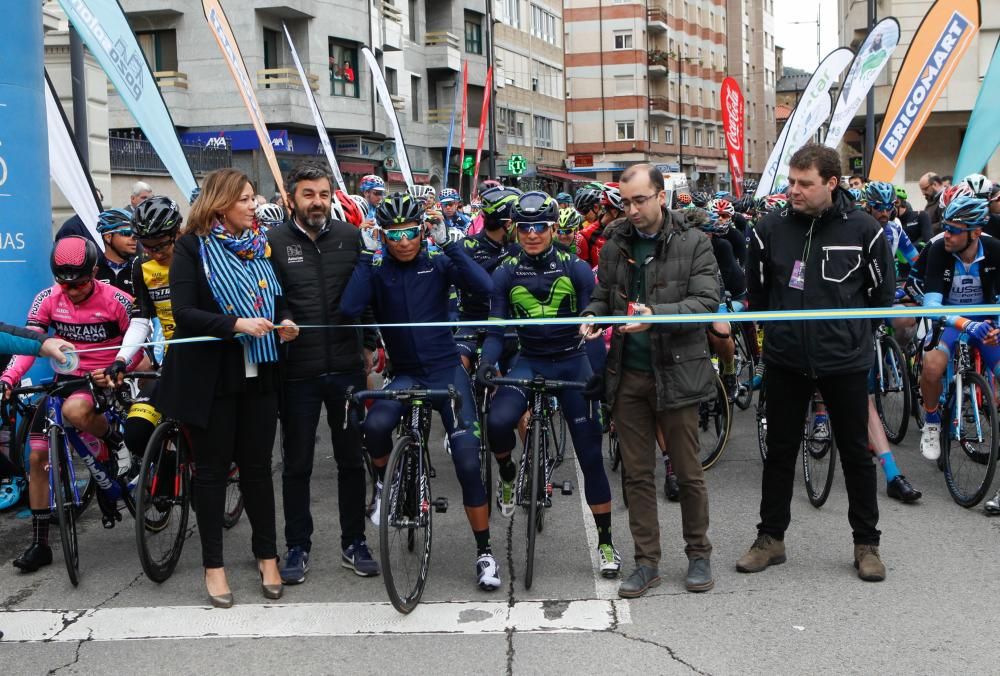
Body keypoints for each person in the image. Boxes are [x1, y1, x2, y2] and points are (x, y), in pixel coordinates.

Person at [741, 143, 895, 582]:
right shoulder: (767, 229)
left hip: (844, 360)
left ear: (831, 182)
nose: (794, 190)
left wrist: (853, 338)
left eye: (804, 183)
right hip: (786, 359)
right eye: (791, 182)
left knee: (855, 453)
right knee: (780, 451)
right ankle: (770, 539)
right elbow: (758, 294)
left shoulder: (866, 230)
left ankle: (867, 544)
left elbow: (881, 298)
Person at [339, 192, 502, 592]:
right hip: (407, 373)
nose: (403, 241)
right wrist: (364, 256)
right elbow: (348, 309)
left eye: (412, 232)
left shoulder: (438, 261)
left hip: (446, 372)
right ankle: (384, 485)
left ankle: (484, 551)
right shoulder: (378, 269)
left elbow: (484, 290)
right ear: (382, 235)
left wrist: (451, 245)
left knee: (466, 461)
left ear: (423, 230)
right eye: (393, 235)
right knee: (374, 425)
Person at [157, 168, 299, 608]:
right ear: (220, 204)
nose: (252, 206)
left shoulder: (261, 247)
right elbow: (184, 312)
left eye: (253, 198)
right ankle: (213, 566)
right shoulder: (190, 247)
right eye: (244, 199)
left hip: (260, 371)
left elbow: (280, 299)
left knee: (257, 469)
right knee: (213, 472)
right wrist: (235, 324)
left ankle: (267, 555)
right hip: (209, 378)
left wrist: (286, 322)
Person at [581, 163, 720, 598]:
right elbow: (603, 297)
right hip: (628, 374)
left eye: (640, 199)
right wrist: (591, 317)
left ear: (662, 196)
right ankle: (646, 562)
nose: (632, 209)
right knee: (637, 475)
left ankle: (699, 554)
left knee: (687, 470)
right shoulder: (614, 244)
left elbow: (705, 303)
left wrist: (655, 317)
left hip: (676, 370)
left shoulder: (694, 241)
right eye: (625, 201)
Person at [479, 191, 621, 579]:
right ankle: (508, 475)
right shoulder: (505, 271)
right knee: (496, 422)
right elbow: (496, 328)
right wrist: (487, 363)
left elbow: (593, 327)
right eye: (525, 227)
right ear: (515, 230)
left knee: (590, 456)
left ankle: (606, 542)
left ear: (554, 228)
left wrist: (598, 375)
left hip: (572, 362)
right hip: (529, 360)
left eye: (540, 226)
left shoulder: (574, 268)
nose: (532, 234)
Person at [266, 163, 379, 583]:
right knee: (297, 464)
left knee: (351, 460)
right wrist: (284, 320)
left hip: (347, 369)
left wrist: (369, 344)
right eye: (308, 194)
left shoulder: (351, 239)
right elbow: (270, 297)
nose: (317, 201)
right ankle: (297, 546)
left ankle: (355, 542)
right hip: (297, 372)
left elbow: (365, 294)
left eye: (323, 194)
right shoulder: (272, 242)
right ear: (291, 198)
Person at [2, 236, 141, 572]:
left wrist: (120, 370)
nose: (72, 291)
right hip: (64, 381)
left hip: (102, 379)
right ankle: (40, 543)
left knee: (75, 412)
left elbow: (141, 347)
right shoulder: (47, 299)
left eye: (79, 283)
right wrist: (8, 379)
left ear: (94, 271)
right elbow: (28, 344)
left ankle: (114, 439)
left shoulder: (119, 301)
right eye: (64, 284)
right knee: (36, 456)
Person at [916, 196, 1000, 480]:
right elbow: (931, 306)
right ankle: (931, 421)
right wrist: (964, 324)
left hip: (986, 320)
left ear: (975, 232)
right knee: (931, 367)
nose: (946, 233)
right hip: (951, 319)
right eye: (945, 226)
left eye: (953, 229)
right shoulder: (939, 249)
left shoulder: (994, 250)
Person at [456, 186, 522, 373]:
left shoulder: (523, 250)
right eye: (521, 223)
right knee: (457, 368)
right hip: (472, 323)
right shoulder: (467, 246)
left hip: (511, 327)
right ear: (509, 224)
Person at [95, 208, 139, 295]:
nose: (134, 238)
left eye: (136, 233)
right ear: (108, 237)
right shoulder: (92, 269)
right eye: (127, 233)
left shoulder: (140, 267)